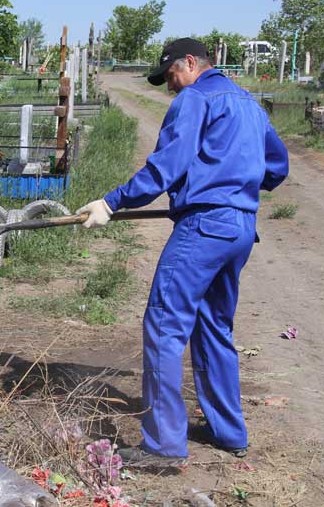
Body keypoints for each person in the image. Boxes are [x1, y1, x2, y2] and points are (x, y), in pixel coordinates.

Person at [78, 38, 289, 465]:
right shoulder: (249, 103)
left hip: (204, 228)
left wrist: (112, 202)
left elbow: (165, 167)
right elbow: (277, 166)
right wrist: (237, 185)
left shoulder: (195, 99)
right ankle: (229, 432)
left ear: (190, 63)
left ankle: (162, 445)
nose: (170, 86)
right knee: (213, 326)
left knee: (163, 326)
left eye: (171, 75)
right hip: (240, 229)